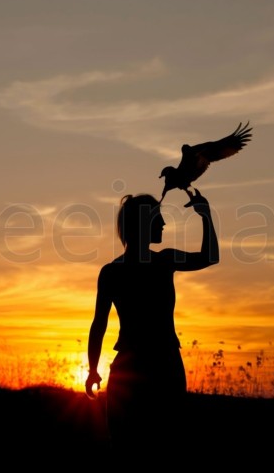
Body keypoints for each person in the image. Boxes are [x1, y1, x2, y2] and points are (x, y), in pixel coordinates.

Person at [85, 188, 219, 457]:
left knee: (129, 444)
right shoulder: (162, 261)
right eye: (158, 218)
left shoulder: (114, 271)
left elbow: (99, 326)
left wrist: (93, 369)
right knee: (161, 443)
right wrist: (204, 215)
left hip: (134, 366)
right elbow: (209, 256)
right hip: (161, 365)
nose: (164, 224)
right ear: (142, 224)